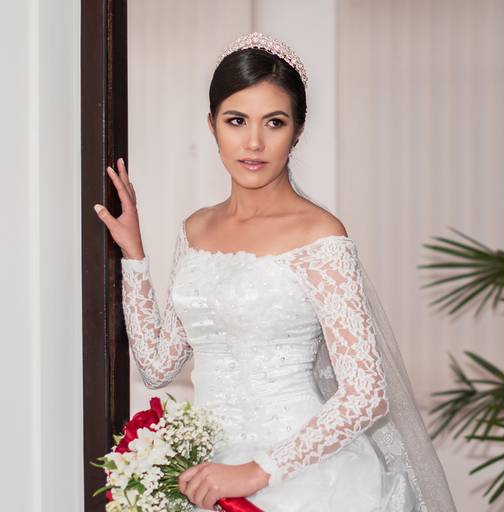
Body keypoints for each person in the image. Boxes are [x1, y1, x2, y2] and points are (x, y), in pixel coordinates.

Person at [93, 31, 457, 512]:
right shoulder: (195, 229)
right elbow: (158, 367)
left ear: (297, 130)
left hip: (301, 478)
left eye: (275, 122)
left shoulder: (320, 235)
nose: (254, 142)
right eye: (236, 120)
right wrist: (134, 256)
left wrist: (256, 471)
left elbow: (367, 394)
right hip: (208, 473)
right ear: (212, 125)